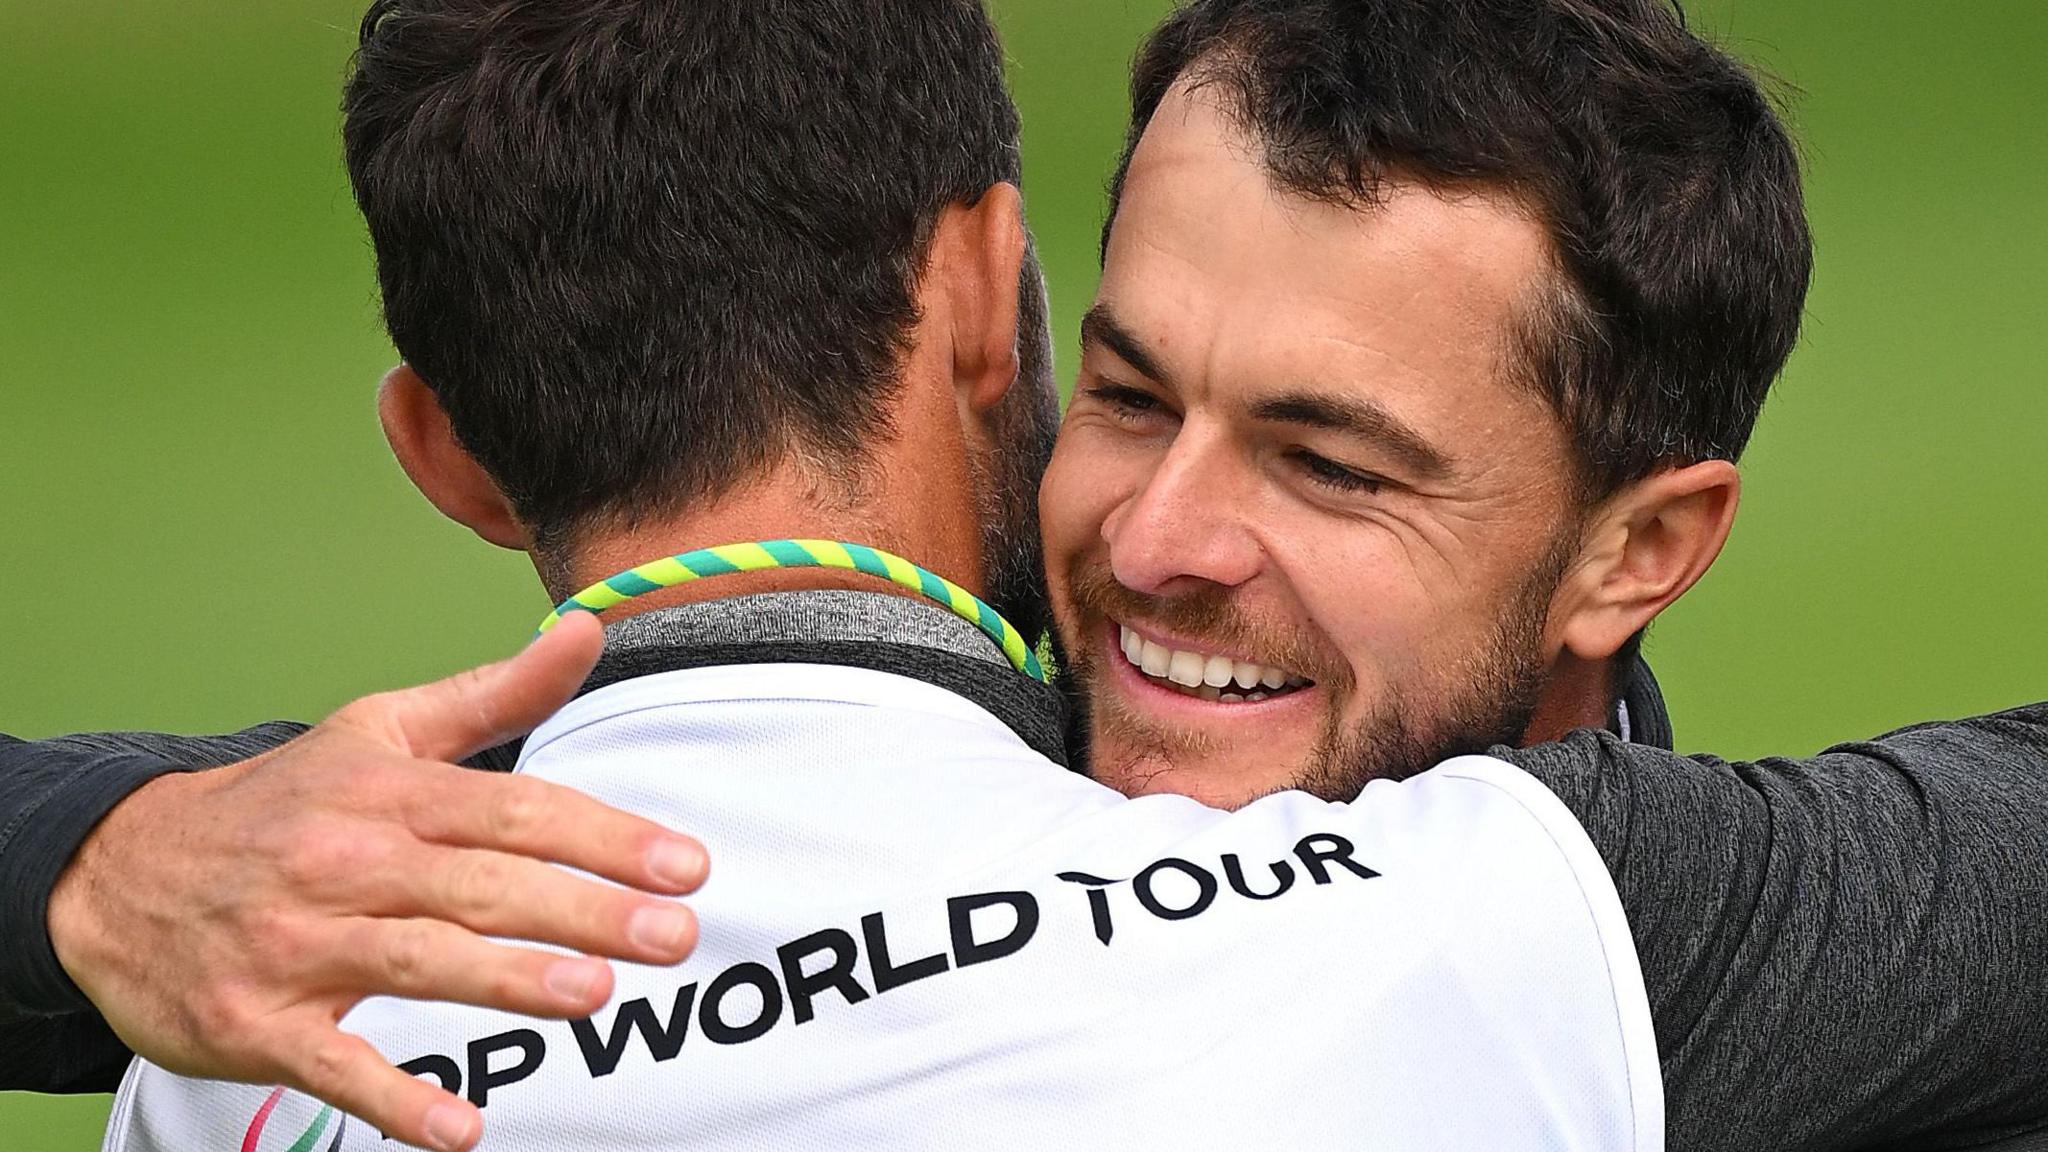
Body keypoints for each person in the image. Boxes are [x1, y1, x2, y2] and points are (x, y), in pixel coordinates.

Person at [4, 0, 2046, 1149]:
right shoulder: (1516, 939)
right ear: (1002, 307)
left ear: (1641, 548)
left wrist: (99, 865)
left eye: (1333, 460)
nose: (1155, 545)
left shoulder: (261, 1030)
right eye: (1134, 395)